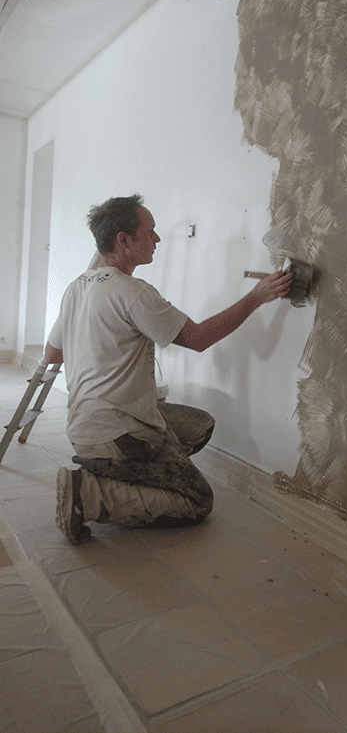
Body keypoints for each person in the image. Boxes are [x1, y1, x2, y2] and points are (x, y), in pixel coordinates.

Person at [44, 194, 293, 545]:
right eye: (150, 231)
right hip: (116, 435)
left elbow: (52, 353)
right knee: (197, 501)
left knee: (199, 425)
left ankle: (119, 474)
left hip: (83, 428)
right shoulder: (132, 292)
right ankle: (90, 495)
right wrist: (257, 297)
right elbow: (199, 338)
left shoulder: (76, 288)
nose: (157, 239)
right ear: (124, 240)